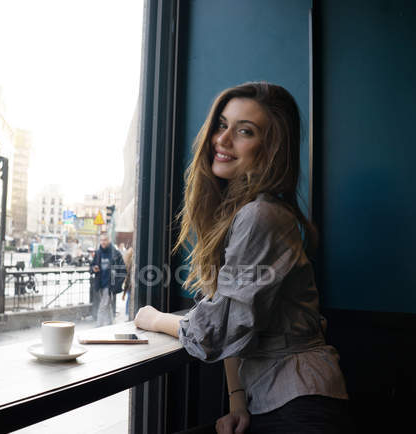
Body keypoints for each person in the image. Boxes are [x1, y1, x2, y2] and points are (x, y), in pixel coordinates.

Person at [135, 82, 351, 433]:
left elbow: (214, 331)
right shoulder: (245, 214)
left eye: (244, 131)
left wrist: (154, 318)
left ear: (271, 150)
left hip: (301, 407)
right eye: (221, 124)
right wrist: (237, 400)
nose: (222, 139)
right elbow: (238, 324)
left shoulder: (260, 216)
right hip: (274, 401)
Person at [90, 233, 126, 326]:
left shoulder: (115, 253)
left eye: (105, 240)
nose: (103, 242)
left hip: (110, 285)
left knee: (103, 306)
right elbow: (92, 266)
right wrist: (94, 268)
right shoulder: (98, 253)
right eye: (101, 240)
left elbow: (123, 270)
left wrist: (117, 284)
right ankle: (110, 324)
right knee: (107, 305)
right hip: (100, 284)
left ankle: (99, 326)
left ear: (109, 241)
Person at [122, 246, 134, 316]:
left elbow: (127, 280)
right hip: (130, 286)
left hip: (130, 287)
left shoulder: (128, 264)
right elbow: (128, 279)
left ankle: (128, 314)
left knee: (129, 299)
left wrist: (124, 293)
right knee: (129, 299)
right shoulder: (130, 265)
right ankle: (128, 314)